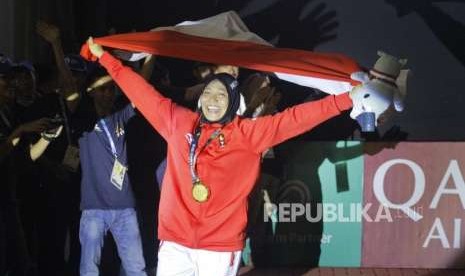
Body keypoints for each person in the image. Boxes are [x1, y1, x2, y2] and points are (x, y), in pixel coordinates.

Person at [87, 37, 357, 276]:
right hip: (175, 241)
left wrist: (347, 99)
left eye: (221, 94)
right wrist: (104, 57)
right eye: (208, 92)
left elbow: (297, 118)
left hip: (219, 246)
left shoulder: (248, 133)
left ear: (232, 101)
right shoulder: (179, 122)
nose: (212, 99)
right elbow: (141, 92)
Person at [78, 68, 147, 276]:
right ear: (90, 91)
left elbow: (141, 91)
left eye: (111, 89)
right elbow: (68, 89)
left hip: (125, 206)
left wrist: (149, 56)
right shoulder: (81, 119)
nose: (108, 93)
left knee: (136, 269)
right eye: (102, 89)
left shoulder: (120, 117)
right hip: (93, 208)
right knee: (89, 269)